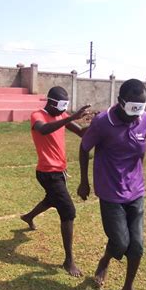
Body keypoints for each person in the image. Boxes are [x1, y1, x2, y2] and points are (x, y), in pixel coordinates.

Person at [77, 79, 146, 290]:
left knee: (136, 245)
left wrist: (136, 175)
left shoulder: (144, 119)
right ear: (120, 102)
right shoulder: (102, 122)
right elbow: (84, 148)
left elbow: (141, 151)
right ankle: (105, 260)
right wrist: (84, 182)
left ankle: (128, 287)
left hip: (135, 191)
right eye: (132, 109)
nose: (136, 115)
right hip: (110, 193)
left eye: (140, 109)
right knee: (120, 243)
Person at [21, 86, 90, 277]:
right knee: (68, 211)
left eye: (65, 106)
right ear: (50, 102)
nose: (62, 110)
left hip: (59, 172)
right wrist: (70, 117)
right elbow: (43, 130)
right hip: (47, 173)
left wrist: (100, 122)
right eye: (60, 105)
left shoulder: (61, 115)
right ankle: (69, 261)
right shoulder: (38, 115)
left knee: (52, 200)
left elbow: (82, 133)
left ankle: (28, 217)